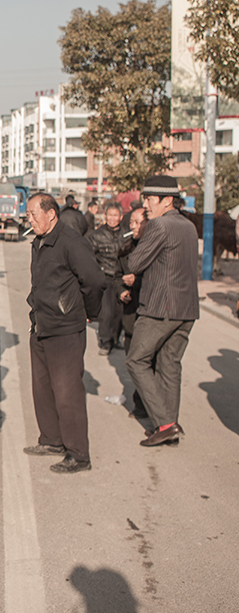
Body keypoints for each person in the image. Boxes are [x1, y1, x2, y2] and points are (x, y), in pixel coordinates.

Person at [24, 193, 106, 473]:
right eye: (28, 214)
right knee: (42, 387)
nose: (29, 219)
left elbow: (94, 281)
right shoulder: (39, 241)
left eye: (34, 214)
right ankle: (51, 440)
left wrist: (88, 312)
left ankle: (78, 455)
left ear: (51, 214)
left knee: (67, 392)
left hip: (65, 328)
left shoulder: (71, 242)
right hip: (41, 324)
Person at [125, 175, 200, 447]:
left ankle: (166, 423)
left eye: (149, 200)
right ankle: (169, 427)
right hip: (187, 309)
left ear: (167, 200)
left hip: (160, 308)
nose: (145, 205)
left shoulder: (159, 225)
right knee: (169, 365)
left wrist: (144, 233)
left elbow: (135, 263)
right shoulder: (189, 226)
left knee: (136, 360)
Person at [113, 207, 148, 418]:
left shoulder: (154, 249)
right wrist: (122, 291)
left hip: (148, 313)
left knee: (145, 363)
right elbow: (117, 276)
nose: (133, 226)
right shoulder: (126, 248)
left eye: (137, 222)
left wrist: (138, 281)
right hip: (130, 314)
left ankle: (144, 405)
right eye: (131, 222)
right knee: (132, 362)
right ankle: (141, 401)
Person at [88, 202, 126, 356]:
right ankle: (105, 341)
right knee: (106, 313)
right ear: (105, 216)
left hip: (121, 279)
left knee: (119, 312)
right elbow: (90, 258)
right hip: (105, 278)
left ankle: (116, 339)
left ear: (120, 217)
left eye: (115, 215)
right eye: (110, 215)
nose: (112, 218)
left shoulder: (126, 234)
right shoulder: (96, 235)